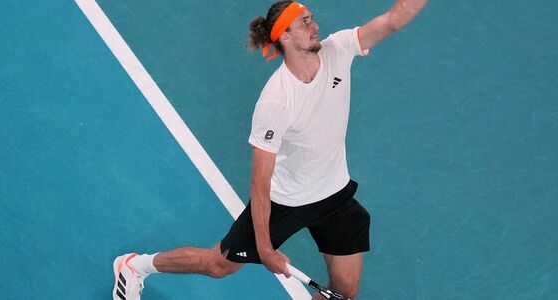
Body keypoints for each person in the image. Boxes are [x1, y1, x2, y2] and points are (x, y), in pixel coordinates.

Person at [112, 1, 427, 299]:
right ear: (285, 36)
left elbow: (394, 18)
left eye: (312, 18)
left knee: (346, 291)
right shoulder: (276, 101)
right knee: (218, 265)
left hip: (333, 193)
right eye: (304, 22)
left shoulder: (339, 48)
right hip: (284, 202)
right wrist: (265, 249)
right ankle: (135, 267)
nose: (315, 25)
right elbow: (260, 185)